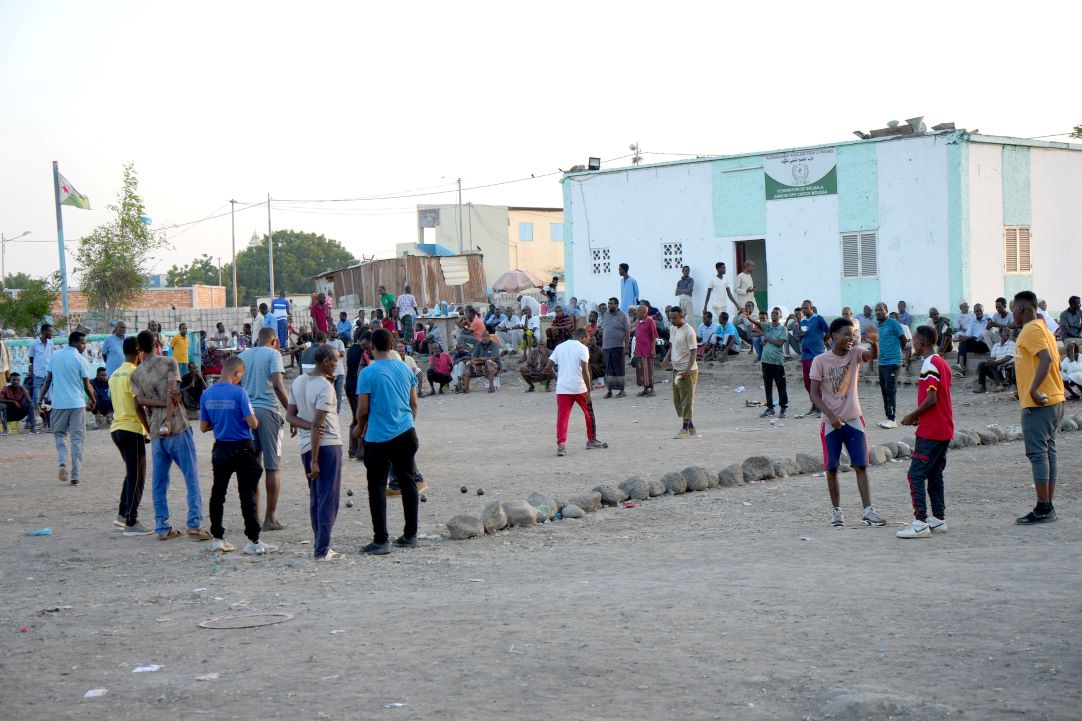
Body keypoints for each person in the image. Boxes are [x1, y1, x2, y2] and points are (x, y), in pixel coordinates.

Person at [130, 330, 210, 541]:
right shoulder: (169, 362)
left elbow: (141, 402)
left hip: (157, 431)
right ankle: (194, 524)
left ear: (139, 348)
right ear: (157, 342)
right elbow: (173, 395)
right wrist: (167, 410)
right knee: (191, 478)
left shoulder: (136, 373)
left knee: (159, 482)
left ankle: (161, 526)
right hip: (177, 426)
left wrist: (155, 414)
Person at [809, 318, 885, 528]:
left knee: (860, 465)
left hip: (853, 419)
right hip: (830, 423)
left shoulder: (855, 353)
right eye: (846, 334)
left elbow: (872, 356)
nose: (851, 338)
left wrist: (874, 342)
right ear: (834, 336)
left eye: (853, 334)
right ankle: (836, 512)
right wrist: (831, 416)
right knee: (831, 468)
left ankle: (868, 511)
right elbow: (814, 394)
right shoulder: (820, 361)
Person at [198, 355, 277, 555]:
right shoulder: (239, 393)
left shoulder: (207, 393)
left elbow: (203, 426)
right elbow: (253, 423)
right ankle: (253, 540)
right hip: (241, 447)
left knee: (218, 493)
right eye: (240, 375)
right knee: (247, 494)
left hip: (221, 448)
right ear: (236, 373)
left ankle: (217, 538)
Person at [354, 328, 421, 554]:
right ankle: (410, 534)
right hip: (405, 432)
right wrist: (408, 422)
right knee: (408, 482)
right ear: (392, 346)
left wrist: (359, 429)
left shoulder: (368, 374)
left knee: (377, 487)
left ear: (373, 347)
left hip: (378, 436)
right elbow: (414, 402)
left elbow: (363, 409)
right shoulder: (405, 367)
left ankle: (381, 539)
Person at [1011, 291, 1066, 525]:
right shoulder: (1044, 328)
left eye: (1013, 308)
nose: (1012, 313)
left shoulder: (1031, 329)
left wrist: (1032, 390)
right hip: (1054, 398)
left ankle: (1043, 507)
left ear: (1022, 308)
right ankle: (1047, 505)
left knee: (1037, 454)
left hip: (1039, 403)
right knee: (1048, 453)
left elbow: (1046, 359)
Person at [286, 344, 344, 560]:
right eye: (335, 361)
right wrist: (316, 461)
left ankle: (321, 544)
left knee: (316, 497)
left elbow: (290, 416)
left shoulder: (299, 381)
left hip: (306, 446)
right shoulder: (324, 387)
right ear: (326, 362)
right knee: (328, 497)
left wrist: (306, 425)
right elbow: (318, 425)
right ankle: (322, 549)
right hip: (326, 445)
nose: (337, 366)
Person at [897, 325, 954, 538]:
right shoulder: (942, 363)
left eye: (915, 340)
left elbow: (932, 399)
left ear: (923, 342)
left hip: (931, 431)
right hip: (943, 427)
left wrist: (913, 415)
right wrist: (920, 416)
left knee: (916, 474)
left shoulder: (930, 364)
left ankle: (920, 521)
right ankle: (938, 519)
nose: (912, 344)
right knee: (934, 474)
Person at [239, 327, 291, 530]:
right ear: (275, 341)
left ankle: (253, 516)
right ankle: (270, 518)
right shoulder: (273, 354)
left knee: (252, 467)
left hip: (247, 414)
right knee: (272, 466)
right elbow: (278, 385)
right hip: (268, 411)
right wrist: (290, 412)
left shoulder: (243, 355)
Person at [107, 337, 152, 535]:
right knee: (138, 476)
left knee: (131, 473)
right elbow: (138, 405)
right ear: (138, 351)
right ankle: (132, 522)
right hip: (131, 429)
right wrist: (148, 429)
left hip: (117, 428)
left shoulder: (115, 374)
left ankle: (122, 515)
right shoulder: (134, 373)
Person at [39, 331, 96, 485]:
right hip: (77, 404)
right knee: (77, 439)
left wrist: (40, 398)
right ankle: (75, 475)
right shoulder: (81, 359)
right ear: (75, 343)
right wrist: (92, 399)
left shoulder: (55, 356)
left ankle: (63, 462)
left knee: (59, 434)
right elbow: (86, 384)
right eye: (83, 343)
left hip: (58, 404)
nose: (84, 346)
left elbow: (48, 380)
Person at [547, 327, 607, 456]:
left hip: (563, 388)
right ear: (583, 337)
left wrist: (557, 378)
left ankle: (561, 445)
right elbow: (585, 370)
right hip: (579, 387)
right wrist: (589, 391)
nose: (587, 342)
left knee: (563, 417)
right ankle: (591, 440)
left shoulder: (560, 347)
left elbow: (548, 367)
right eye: (587, 339)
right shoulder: (582, 348)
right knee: (588, 413)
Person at [746, 307, 788, 418]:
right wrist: (747, 315)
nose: (774, 314)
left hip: (777, 362)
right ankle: (770, 408)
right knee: (768, 385)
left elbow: (779, 343)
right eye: (773, 313)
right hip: (765, 361)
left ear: (780, 316)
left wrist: (768, 339)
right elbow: (755, 322)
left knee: (781, 386)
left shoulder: (783, 329)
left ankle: (783, 408)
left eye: (776, 313)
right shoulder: (767, 326)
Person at [663, 306, 698, 438]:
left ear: (682, 316)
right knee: (677, 400)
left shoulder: (689, 331)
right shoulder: (673, 328)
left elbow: (693, 351)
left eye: (675, 318)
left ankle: (685, 429)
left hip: (687, 370)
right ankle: (691, 427)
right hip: (676, 369)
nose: (672, 320)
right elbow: (672, 345)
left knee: (686, 399)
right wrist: (667, 358)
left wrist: (687, 371)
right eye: (670, 318)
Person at [874, 302, 909, 429]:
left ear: (886, 311)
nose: (878, 312)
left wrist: (898, 354)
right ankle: (888, 417)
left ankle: (892, 419)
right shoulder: (879, 326)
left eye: (880, 310)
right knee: (884, 390)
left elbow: (904, 340)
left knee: (890, 390)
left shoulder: (893, 323)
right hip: (882, 362)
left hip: (893, 362)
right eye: (876, 310)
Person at [793, 300, 829, 419]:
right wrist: (800, 336)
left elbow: (828, 331)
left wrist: (822, 342)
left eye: (806, 308)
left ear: (811, 308)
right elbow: (800, 338)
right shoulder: (802, 321)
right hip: (805, 356)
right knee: (808, 383)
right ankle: (814, 405)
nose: (803, 310)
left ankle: (821, 408)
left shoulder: (818, 318)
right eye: (802, 309)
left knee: (817, 382)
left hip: (817, 355)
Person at [346, 329, 373, 459]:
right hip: (359, 387)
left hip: (350, 385)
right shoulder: (365, 353)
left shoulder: (351, 349)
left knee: (355, 419)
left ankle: (352, 450)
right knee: (362, 417)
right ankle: (361, 451)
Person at [26, 323, 55, 432]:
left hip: (49, 375)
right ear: (44, 332)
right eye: (50, 331)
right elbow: (31, 360)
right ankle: (31, 423)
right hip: (38, 375)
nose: (52, 334)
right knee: (36, 400)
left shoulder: (51, 344)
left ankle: (48, 423)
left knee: (49, 401)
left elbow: (52, 359)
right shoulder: (34, 344)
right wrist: (32, 372)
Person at [601, 297, 630, 398]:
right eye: (608, 304)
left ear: (617, 305)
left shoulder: (622, 316)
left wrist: (626, 347)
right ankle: (609, 391)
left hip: (618, 347)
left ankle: (622, 390)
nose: (609, 306)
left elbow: (627, 332)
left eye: (611, 304)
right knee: (609, 370)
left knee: (619, 369)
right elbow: (604, 329)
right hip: (606, 347)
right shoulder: (605, 315)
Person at [975, 327, 1016, 393]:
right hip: (995, 367)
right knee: (982, 364)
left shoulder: (1012, 343)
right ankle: (982, 387)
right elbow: (993, 357)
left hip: (1004, 367)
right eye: (1005, 331)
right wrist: (989, 361)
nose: (1008, 332)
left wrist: (995, 362)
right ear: (1000, 334)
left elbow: (1008, 357)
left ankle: (999, 384)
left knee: (993, 364)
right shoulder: (996, 345)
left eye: (1009, 331)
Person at [955, 303, 989, 375]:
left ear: (983, 310)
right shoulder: (973, 319)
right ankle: (961, 366)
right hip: (975, 344)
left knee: (963, 344)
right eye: (977, 311)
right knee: (962, 343)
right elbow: (969, 332)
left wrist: (968, 337)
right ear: (974, 312)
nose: (979, 312)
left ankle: (960, 367)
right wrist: (964, 337)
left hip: (984, 345)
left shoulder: (987, 318)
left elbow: (982, 333)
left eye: (980, 310)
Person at [633, 303, 658, 397]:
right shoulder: (637, 322)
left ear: (644, 312)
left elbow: (653, 337)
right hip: (639, 350)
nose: (636, 312)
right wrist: (635, 349)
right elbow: (637, 337)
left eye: (638, 311)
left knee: (648, 370)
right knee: (641, 371)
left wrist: (653, 350)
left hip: (647, 350)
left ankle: (652, 389)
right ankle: (645, 389)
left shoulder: (650, 321)